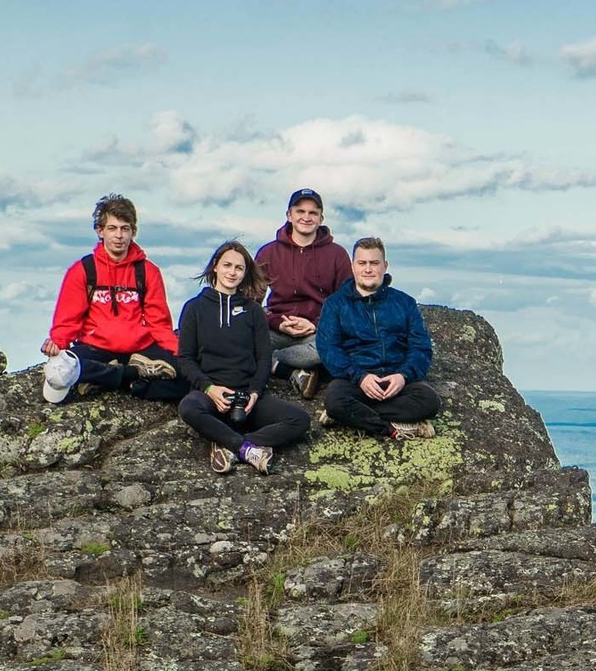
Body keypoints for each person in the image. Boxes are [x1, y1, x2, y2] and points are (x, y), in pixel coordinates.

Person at [174, 242, 313, 474]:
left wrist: (254, 393)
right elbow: (186, 359)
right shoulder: (194, 308)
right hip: (211, 395)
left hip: (247, 397)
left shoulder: (253, 310)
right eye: (227, 265)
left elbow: (264, 358)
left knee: (299, 420)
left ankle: (230, 445)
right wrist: (209, 388)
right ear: (215, 266)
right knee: (188, 407)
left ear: (245, 272)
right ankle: (246, 449)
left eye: (239, 268)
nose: (232, 272)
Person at [42, 194, 182, 405]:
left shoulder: (148, 272)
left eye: (125, 229)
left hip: (141, 352)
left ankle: (103, 377)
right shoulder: (83, 270)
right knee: (65, 364)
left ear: (133, 232)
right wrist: (57, 343)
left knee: (182, 371)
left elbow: (159, 323)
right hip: (95, 349)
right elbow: (68, 320)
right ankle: (132, 375)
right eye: (112, 228)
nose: (119, 235)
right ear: (100, 231)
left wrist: (179, 351)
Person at [315, 238, 442, 441]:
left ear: (385, 266)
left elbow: (421, 348)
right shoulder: (335, 304)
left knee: (430, 401)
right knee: (335, 401)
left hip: (397, 382)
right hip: (356, 382)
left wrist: (403, 376)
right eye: (362, 263)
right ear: (353, 267)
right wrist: (360, 377)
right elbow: (329, 349)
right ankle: (391, 428)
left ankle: (352, 416)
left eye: (374, 263)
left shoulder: (405, 303)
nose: (368, 269)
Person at [256, 188, 351, 398]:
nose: (306, 217)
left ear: (321, 218)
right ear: (289, 215)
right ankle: (293, 371)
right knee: (239, 343)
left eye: (313, 213)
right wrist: (277, 323)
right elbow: (252, 304)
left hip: (317, 332)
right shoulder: (268, 253)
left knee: (331, 350)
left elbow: (346, 303)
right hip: (278, 328)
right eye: (300, 211)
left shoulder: (337, 254)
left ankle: (274, 359)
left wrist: (316, 324)